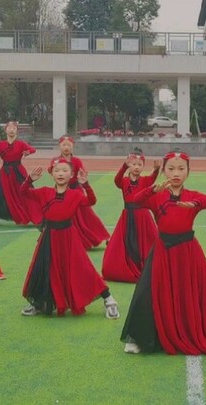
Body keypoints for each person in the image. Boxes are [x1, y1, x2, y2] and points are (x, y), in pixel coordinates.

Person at [121, 150, 206, 355]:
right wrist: (151, 190)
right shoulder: (157, 196)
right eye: (171, 168)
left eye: (181, 169)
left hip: (188, 251)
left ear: (188, 172)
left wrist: (196, 204)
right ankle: (139, 337)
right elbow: (134, 201)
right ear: (164, 171)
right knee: (148, 292)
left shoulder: (191, 195)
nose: (176, 173)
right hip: (162, 251)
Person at [20, 158, 120, 319]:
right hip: (49, 238)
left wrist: (85, 184)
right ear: (51, 173)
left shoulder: (75, 194)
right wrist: (29, 179)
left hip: (69, 237)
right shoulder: (44, 192)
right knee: (45, 269)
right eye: (57, 170)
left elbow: (91, 201)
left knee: (83, 268)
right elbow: (23, 192)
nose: (61, 173)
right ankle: (39, 303)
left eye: (65, 171)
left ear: (71, 175)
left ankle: (109, 300)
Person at [101, 148, 160, 283]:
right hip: (127, 215)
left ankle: (147, 266)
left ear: (143, 166)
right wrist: (123, 167)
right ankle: (125, 266)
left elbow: (152, 179)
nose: (136, 167)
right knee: (125, 242)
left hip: (142, 216)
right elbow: (117, 181)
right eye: (134, 164)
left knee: (145, 241)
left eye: (139, 165)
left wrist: (156, 170)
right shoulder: (125, 181)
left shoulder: (145, 180)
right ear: (129, 166)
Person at [0, 121, 40, 226]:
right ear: (5, 130)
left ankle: (38, 215)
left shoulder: (21, 144)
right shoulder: (0, 145)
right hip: (5, 173)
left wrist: (27, 152)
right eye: (9, 128)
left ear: (16, 131)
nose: (11, 129)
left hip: (18, 171)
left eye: (14, 128)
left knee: (28, 192)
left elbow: (32, 149)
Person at [55, 135, 109, 249]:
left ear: (72, 147)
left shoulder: (76, 161)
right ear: (59, 146)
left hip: (76, 190)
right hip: (62, 191)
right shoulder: (56, 161)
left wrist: (82, 178)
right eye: (64, 145)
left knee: (87, 214)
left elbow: (82, 173)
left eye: (68, 145)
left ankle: (102, 236)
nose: (66, 147)